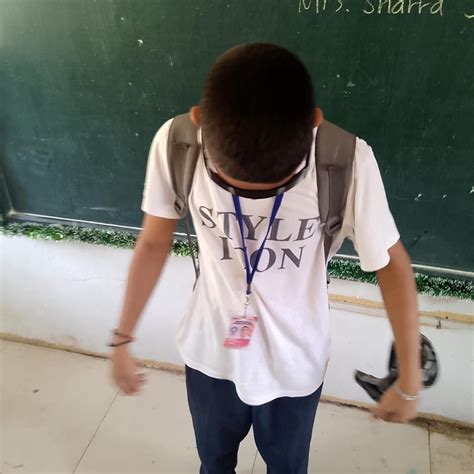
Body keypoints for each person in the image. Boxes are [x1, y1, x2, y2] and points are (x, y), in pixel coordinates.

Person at [111, 43, 421, 473]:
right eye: (228, 183)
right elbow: (152, 243)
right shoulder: (178, 144)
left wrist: (409, 381)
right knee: (213, 463)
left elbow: (391, 264)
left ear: (314, 124)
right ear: (199, 121)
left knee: (287, 467)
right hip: (210, 351)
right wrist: (122, 338)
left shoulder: (344, 161)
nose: (249, 197)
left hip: (295, 364)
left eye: (279, 184)